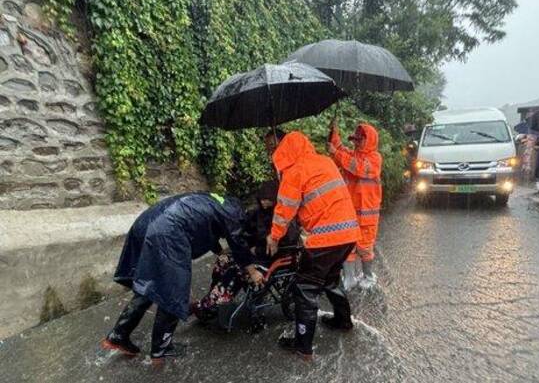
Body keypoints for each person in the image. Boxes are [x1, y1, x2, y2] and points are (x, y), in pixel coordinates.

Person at [101, 192, 263, 362]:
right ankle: (161, 349)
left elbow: (205, 227)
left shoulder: (213, 201)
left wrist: (220, 252)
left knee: (151, 285)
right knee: (174, 292)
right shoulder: (234, 214)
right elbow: (237, 244)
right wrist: (252, 272)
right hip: (168, 233)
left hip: (146, 223)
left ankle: (118, 334)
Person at [265, 131, 360, 360]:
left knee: (305, 289)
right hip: (349, 234)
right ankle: (343, 321)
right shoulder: (324, 162)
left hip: (326, 239)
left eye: (272, 148)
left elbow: (284, 209)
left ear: (284, 150)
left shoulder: (294, 171)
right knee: (330, 280)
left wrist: (273, 237)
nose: (270, 152)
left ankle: (302, 346)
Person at [190, 181, 300, 321]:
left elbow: (282, 247)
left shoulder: (284, 219)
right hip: (253, 253)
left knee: (237, 270)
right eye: (262, 199)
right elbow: (241, 231)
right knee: (223, 260)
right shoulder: (256, 213)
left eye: (269, 200)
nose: (264, 203)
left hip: (271, 258)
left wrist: (255, 251)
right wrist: (238, 244)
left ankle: (206, 306)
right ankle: (214, 297)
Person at [328, 122, 383, 290]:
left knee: (365, 246)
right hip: (350, 211)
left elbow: (357, 167)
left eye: (360, 140)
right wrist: (334, 133)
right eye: (355, 140)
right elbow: (341, 149)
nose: (356, 143)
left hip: (367, 214)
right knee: (348, 244)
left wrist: (336, 153)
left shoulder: (375, 158)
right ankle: (350, 278)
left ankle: (368, 276)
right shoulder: (353, 154)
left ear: (370, 140)